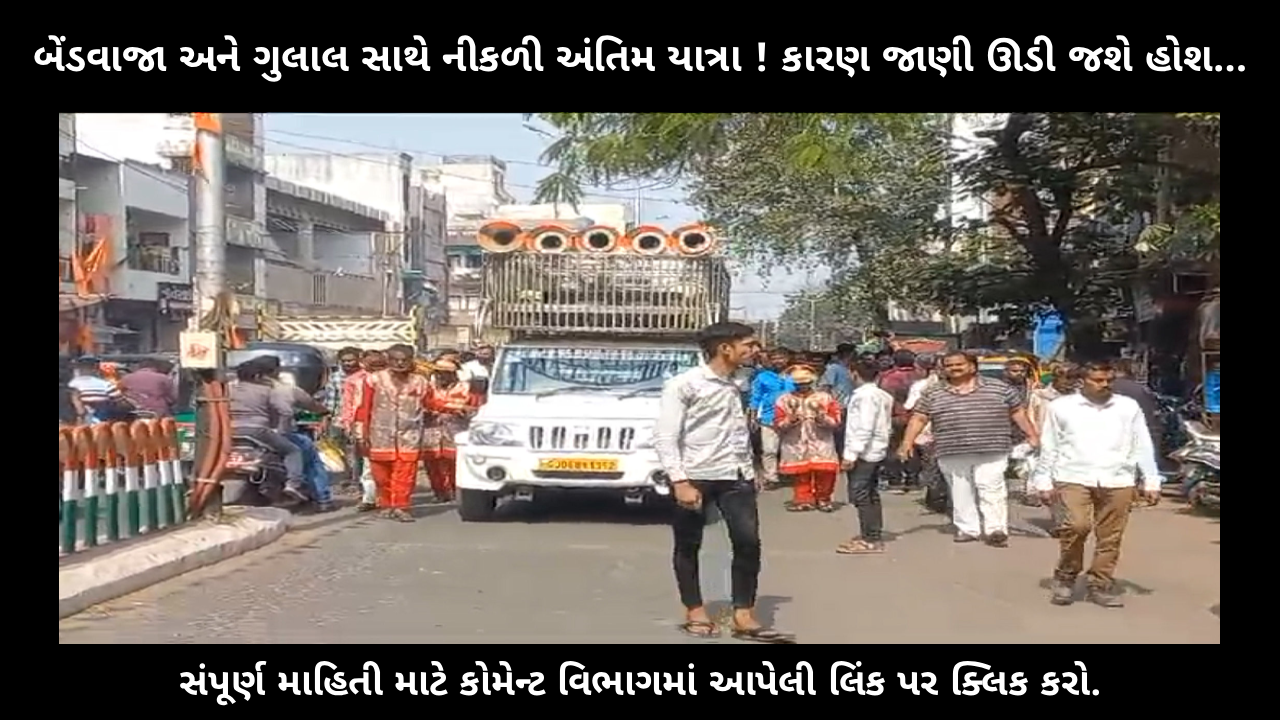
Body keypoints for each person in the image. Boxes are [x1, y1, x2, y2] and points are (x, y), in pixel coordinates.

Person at [653, 321, 793, 643]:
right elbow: (665, 436)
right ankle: (695, 610)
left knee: (748, 542)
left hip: (737, 475)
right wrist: (679, 481)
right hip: (696, 475)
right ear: (724, 348)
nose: (755, 351)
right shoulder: (684, 385)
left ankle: (743, 612)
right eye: (748, 344)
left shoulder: (741, 382)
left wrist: (752, 469)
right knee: (689, 545)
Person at [1032, 361, 1161, 607]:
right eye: (1098, 380)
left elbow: (1142, 443)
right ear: (1082, 381)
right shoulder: (1061, 407)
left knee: (1110, 537)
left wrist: (1151, 479)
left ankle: (1100, 583)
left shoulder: (1127, 407)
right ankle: (1066, 576)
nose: (1105, 385)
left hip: (1118, 478)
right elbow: (1050, 445)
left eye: (1108, 381)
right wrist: (1043, 480)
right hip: (1073, 476)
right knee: (1077, 526)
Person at [900, 351, 1039, 547]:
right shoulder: (933, 392)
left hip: (993, 448)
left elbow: (1017, 411)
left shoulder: (999, 388)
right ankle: (968, 529)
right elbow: (919, 417)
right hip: (951, 449)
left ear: (973, 367)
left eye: (959, 365)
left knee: (991, 487)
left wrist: (1032, 435)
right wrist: (906, 442)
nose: (954, 369)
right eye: (949, 366)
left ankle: (995, 529)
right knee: (960, 490)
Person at [353, 344, 430, 522]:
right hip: (379, 436)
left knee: (405, 475)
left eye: (405, 360)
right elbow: (363, 409)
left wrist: (460, 406)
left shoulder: (420, 382)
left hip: (409, 436)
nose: (400, 363)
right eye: (396, 359)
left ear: (412, 360)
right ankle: (387, 504)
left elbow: (432, 402)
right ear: (388, 360)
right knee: (380, 476)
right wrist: (360, 435)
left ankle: (401, 506)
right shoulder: (373, 380)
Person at [261, 355, 335, 512]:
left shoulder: (236, 387)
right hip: (278, 436)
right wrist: (324, 412)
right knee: (310, 455)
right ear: (276, 371)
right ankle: (323, 498)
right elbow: (312, 405)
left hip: (239, 436)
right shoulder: (286, 389)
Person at [227, 358, 308, 503]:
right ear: (258, 376)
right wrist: (282, 431)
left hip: (230, 432)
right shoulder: (267, 391)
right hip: (258, 431)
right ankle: (293, 485)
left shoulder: (227, 389)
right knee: (293, 451)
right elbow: (286, 412)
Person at [838, 360, 894, 554]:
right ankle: (872, 534)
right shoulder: (882, 395)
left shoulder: (865, 396)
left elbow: (864, 426)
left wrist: (851, 454)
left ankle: (870, 538)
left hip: (865, 452)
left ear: (854, 374)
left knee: (860, 494)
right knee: (870, 494)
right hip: (874, 449)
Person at [774, 366, 843, 512]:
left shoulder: (825, 398)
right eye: (799, 384)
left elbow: (836, 421)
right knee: (800, 474)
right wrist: (790, 421)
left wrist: (821, 418)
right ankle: (803, 500)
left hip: (821, 441)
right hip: (796, 442)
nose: (802, 386)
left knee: (826, 474)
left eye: (805, 383)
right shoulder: (784, 400)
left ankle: (823, 498)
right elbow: (778, 423)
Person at [421, 358, 476, 503]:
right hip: (430, 430)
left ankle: (454, 490)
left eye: (445, 373)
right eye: (438, 373)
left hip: (456, 431)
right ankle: (439, 492)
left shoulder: (466, 387)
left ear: (454, 374)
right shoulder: (427, 387)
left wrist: (459, 411)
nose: (441, 376)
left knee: (455, 464)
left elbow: (473, 409)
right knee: (432, 464)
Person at [748, 347, 795, 491]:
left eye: (781, 357)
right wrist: (753, 416)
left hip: (793, 419)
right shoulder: (762, 377)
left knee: (792, 449)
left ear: (787, 359)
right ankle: (771, 477)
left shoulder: (796, 375)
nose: (778, 361)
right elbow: (755, 397)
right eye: (774, 358)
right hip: (769, 418)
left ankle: (792, 474)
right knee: (769, 450)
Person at [878, 350, 921, 492]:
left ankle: (895, 481)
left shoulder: (890, 378)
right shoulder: (919, 376)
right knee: (913, 448)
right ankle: (912, 480)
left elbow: (885, 399)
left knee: (892, 449)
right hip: (917, 417)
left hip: (896, 417)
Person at [347, 350, 386, 512]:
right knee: (369, 465)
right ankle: (370, 498)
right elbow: (356, 406)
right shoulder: (357, 381)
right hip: (367, 427)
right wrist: (354, 427)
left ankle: (386, 498)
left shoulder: (392, 381)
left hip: (388, 429)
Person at [68, 357, 134, 423]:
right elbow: (121, 403)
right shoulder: (105, 385)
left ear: (79, 369)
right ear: (96, 368)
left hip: (75, 421)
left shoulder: (70, 384)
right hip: (102, 422)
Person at [821, 343, 856, 463]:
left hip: (851, 407)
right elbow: (825, 387)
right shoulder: (834, 368)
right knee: (837, 436)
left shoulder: (851, 369)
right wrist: (827, 406)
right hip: (838, 407)